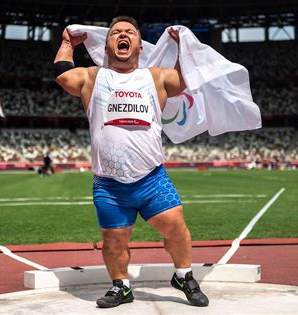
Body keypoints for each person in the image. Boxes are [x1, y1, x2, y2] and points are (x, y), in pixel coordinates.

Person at [54, 16, 208, 308]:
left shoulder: (155, 77)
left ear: (139, 45)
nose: (122, 35)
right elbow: (63, 75)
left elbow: (185, 78)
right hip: (109, 183)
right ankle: (121, 286)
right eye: (116, 33)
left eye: (129, 33)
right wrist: (66, 44)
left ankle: (184, 275)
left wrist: (182, 46)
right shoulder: (92, 77)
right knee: (114, 240)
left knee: (176, 228)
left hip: (151, 178)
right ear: (107, 44)